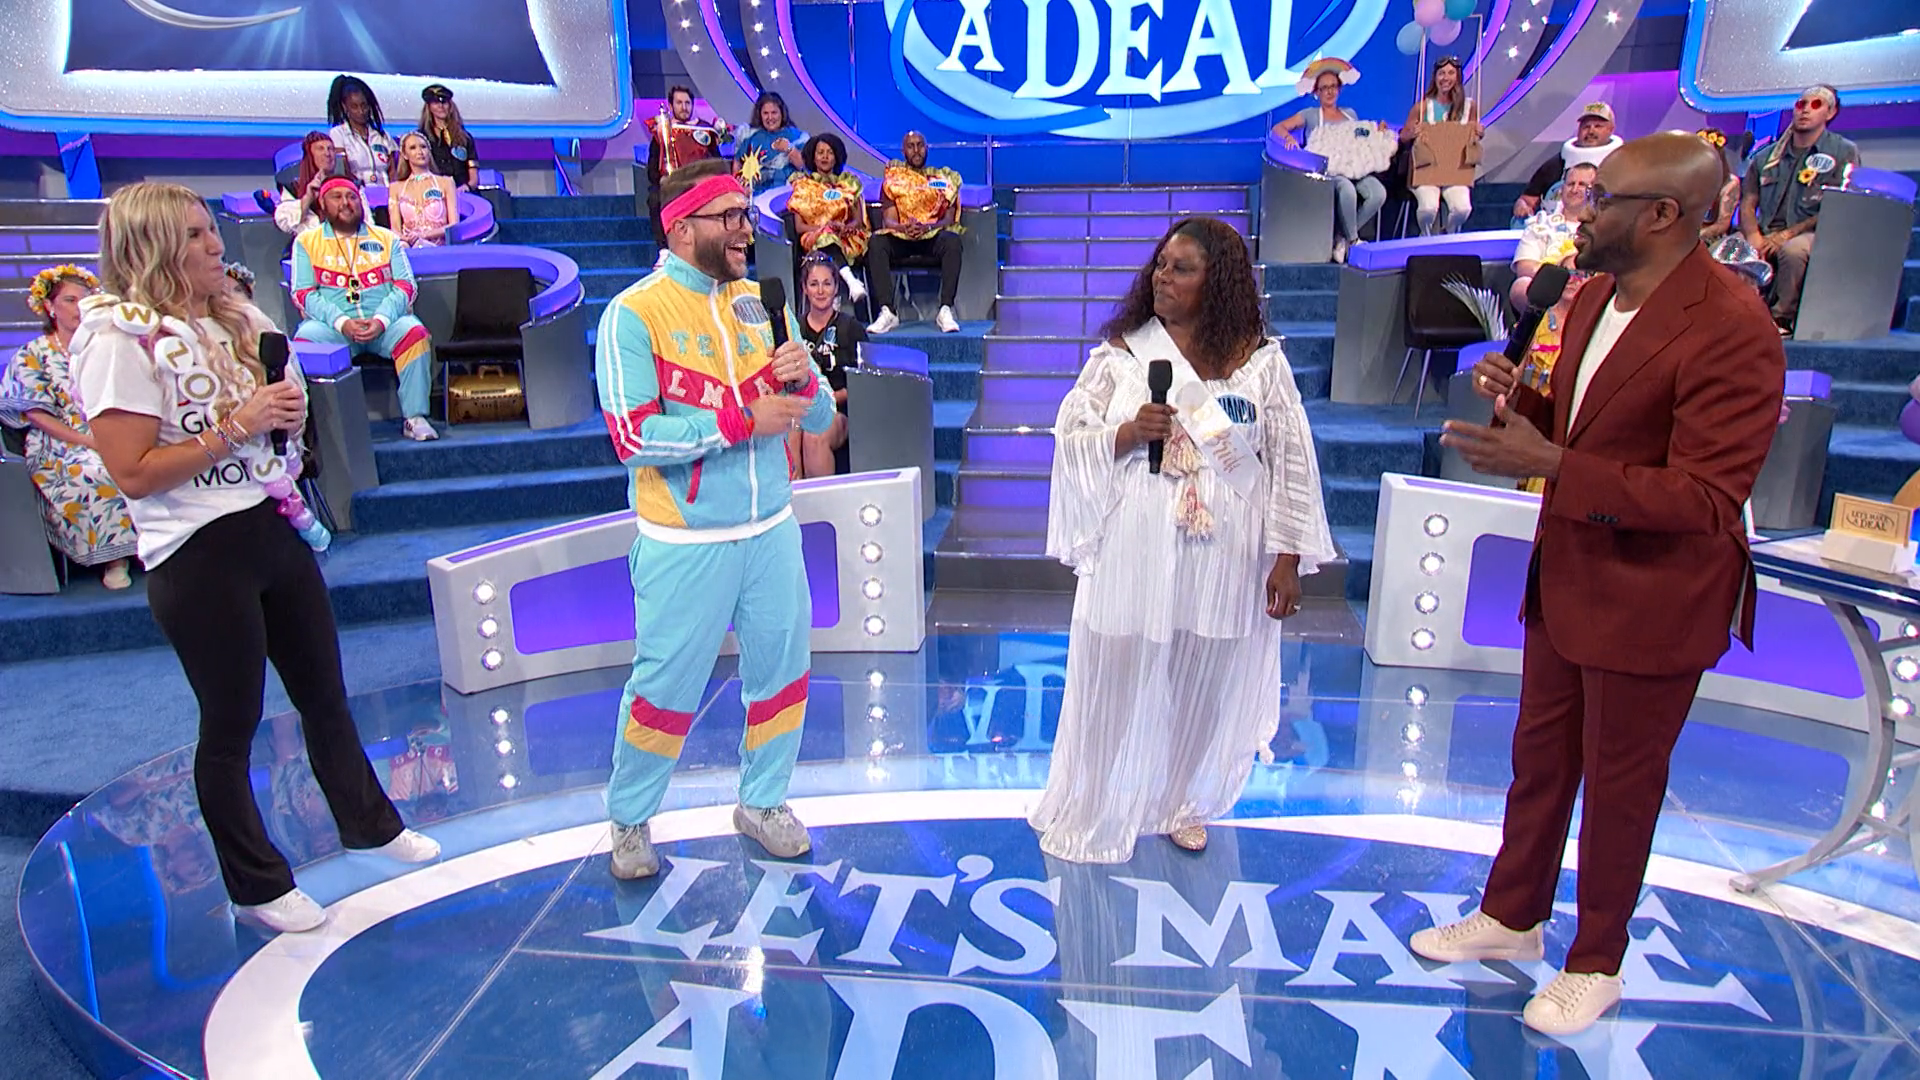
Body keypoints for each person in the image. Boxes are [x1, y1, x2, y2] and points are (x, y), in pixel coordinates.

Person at [1423, 133, 1787, 1036]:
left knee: (1621, 788)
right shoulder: (1586, 299)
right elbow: (1578, 427)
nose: (1576, 213)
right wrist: (1521, 404)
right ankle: (1512, 914)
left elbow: (1706, 499)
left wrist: (1551, 461)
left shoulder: (1732, 326)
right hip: (1568, 573)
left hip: (1655, 597)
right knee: (1540, 761)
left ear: (1663, 215)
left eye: (1599, 198)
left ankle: (1596, 962)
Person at [72, 181, 438, 934]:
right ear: (152, 247)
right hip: (195, 549)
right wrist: (236, 426)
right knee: (231, 723)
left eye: (212, 230)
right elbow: (133, 471)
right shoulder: (118, 339)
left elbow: (269, 419)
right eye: (196, 236)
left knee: (325, 692)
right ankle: (256, 883)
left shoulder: (235, 315)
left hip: (270, 523)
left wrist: (284, 416)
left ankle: (369, 824)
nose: (217, 246)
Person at [1031, 216, 1337, 863]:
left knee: (1207, 679)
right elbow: (1072, 434)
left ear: (1216, 282)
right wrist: (1126, 433)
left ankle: (1182, 802)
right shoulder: (1123, 354)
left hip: (1225, 553)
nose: (1162, 278)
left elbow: (1289, 462)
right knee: (1116, 674)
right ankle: (1095, 800)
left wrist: (1287, 557)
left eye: (1182, 268)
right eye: (1161, 265)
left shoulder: (1260, 363)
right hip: (1136, 544)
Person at [593, 159, 837, 879]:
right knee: (664, 689)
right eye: (729, 217)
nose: (745, 230)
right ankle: (630, 817)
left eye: (745, 216)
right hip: (684, 542)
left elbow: (819, 417)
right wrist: (739, 421)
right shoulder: (632, 315)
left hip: (772, 532)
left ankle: (763, 801)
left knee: (783, 674)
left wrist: (805, 377)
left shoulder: (761, 303)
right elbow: (633, 438)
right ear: (681, 227)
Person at [0, 265, 137, 588]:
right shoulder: (32, 354)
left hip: (114, 430)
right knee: (95, 471)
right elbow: (36, 415)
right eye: (70, 300)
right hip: (60, 442)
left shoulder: (107, 346)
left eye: (85, 300)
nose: (79, 308)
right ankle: (115, 560)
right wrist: (88, 441)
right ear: (50, 306)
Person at [289, 178, 439, 442]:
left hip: (384, 326)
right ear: (323, 203)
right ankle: (316, 428)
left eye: (351, 197)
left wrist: (381, 320)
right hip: (335, 329)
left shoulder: (386, 238)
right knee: (305, 339)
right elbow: (303, 292)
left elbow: (405, 286)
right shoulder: (307, 242)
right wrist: (341, 322)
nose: (345, 203)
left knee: (414, 332)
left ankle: (415, 417)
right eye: (337, 197)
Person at [1740, 84, 1861, 335]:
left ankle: (1780, 318)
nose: (1805, 110)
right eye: (1800, 104)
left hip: (1814, 231)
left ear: (1830, 113)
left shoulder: (1843, 151)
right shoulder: (1764, 157)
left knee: (1793, 251)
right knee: (1729, 249)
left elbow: (1841, 204)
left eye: (1816, 105)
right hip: (1765, 231)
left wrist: (1787, 234)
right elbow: (1748, 202)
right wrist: (1753, 236)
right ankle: (1734, 316)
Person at [1274, 58, 1390, 263]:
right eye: (1324, 88)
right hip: (1330, 172)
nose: (1329, 92)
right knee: (1348, 191)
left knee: (1378, 193)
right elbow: (1279, 128)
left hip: (1354, 168)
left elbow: (1361, 136)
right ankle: (1353, 240)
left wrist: (1377, 132)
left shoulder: (1350, 114)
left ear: (1339, 89)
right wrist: (1289, 138)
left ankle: (1342, 237)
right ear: (1317, 92)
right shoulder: (1309, 115)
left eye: (1333, 86)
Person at [865, 131, 964, 334]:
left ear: (927, 149)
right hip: (902, 238)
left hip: (932, 237)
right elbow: (889, 220)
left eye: (920, 145)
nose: (916, 150)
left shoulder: (943, 179)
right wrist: (904, 228)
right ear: (903, 151)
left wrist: (928, 227)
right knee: (876, 242)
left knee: (953, 241)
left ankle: (945, 309)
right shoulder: (893, 180)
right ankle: (887, 312)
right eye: (911, 146)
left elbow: (949, 219)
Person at [792, 252, 863, 477]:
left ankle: (819, 500)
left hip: (838, 410)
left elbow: (863, 384)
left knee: (815, 432)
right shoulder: (793, 328)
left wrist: (830, 397)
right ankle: (792, 496)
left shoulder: (851, 328)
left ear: (836, 288)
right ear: (805, 288)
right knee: (789, 430)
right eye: (814, 284)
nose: (820, 291)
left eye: (827, 284)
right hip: (800, 407)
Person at [645, 85, 733, 248]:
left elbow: (717, 162)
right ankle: (665, 248)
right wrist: (663, 179)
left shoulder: (705, 130)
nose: (684, 107)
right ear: (671, 106)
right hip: (672, 184)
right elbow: (652, 168)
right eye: (679, 103)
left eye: (687, 103)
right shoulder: (662, 131)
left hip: (700, 184)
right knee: (655, 198)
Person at [785, 133, 870, 303]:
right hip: (813, 239)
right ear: (813, 156)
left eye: (830, 152)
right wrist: (825, 229)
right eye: (820, 152)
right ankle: (851, 282)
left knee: (833, 240)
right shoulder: (803, 185)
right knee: (826, 238)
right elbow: (799, 227)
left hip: (846, 238)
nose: (825, 157)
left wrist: (845, 227)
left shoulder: (848, 183)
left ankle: (836, 300)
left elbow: (858, 220)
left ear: (836, 157)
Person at [1403, 56, 1481, 235]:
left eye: (1451, 73)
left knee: (1462, 209)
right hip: (1427, 171)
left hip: (1455, 172)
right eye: (1442, 73)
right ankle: (1426, 237)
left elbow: (1472, 136)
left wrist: (1478, 133)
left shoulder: (1469, 107)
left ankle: (1448, 234)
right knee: (1428, 209)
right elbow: (1403, 136)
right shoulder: (1423, 107)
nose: (1446, 78)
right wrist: (1412, 132)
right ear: (1435, 77)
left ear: (1458, 76)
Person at [1512, 103, 1622, 224]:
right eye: (1586, 126)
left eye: (1598, 126)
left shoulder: (1623, 164)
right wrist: (1522, 206)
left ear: (1611, 129)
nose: (1591, 131)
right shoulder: (1555, 165)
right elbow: (1527, 200)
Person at [1509, 162, 1596, 310]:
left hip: (1590, 290)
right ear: (1561, 189)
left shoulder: (1603, 227)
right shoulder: (1539, 225)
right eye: (1570, 184)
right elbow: (1524, 267)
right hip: (1549, 292)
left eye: (1582, 185)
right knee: (1521, 286)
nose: (1574, 189)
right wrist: (1563, 273)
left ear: (1595, 191)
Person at [274, 131, 353, 236]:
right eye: (320, 149)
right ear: (310, 155)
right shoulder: (293, 189)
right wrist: (308, 199)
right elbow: (284, 223)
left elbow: (366, 222)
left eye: (330, 149)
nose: (327, 154)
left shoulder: (349, 186)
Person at [326, 74, 399, 187]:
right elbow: (342, 172)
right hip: (356, 193)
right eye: (354, 106)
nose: (361, 111)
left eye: (364, 105)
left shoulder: (383, 136)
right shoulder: (338, 134)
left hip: (386, 192)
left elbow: (393, 172)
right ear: (345, 107)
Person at [390, 132, 459, 248]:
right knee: (401, 247)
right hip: (408, 245)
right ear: (405, 155)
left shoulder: (446, 182)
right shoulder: (395, 188)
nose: (420, 152)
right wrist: (406, 238)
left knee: (420, 245)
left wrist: (423, 235)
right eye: (413, 148)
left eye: (423, 147)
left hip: (437, 248)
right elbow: (395, 230)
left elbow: (453, 225)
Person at [735, 91, 807, 195]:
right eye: (765, 113)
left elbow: (803, 166)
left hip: (787, 192)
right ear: (760, 115)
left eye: (774, 113)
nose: (770, 117)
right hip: (756, 194)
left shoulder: (797, 136)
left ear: (782, 113)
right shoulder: (751, 136)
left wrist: (789, 148)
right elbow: (737, 162)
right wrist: (739, 188)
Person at [418, 84, 479, 190]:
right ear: (429, 107)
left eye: (444, 102)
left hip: (462, 192)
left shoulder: (465, 138)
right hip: (433, 193)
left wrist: (467, 187)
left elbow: (474, 178)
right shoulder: (421, 138)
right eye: (436, 103)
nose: (441, 106)